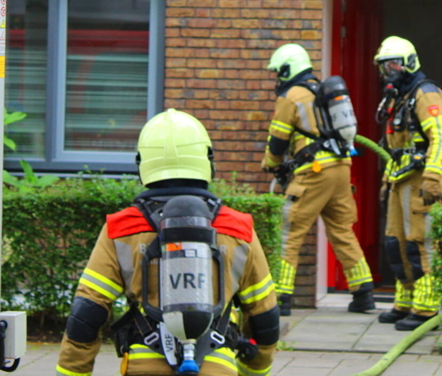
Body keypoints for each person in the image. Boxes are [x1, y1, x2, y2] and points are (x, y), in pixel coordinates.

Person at [56, 109, 279, 376]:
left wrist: (71, 372)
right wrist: (254, 369)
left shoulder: (122, 229)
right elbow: (264, 315)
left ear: (142, 163)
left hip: (144, 368)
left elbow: (87, 313)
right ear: (207, 159)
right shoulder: (237, 228)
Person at [261, 43, 376, 315]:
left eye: (279, 72)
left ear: (289, 69)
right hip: (340, 167)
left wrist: (272, 164)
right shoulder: (321, 91)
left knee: (289, 232)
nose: (278, 77)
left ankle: (282, 298)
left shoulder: (292, 96)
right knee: (342, 230)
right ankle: (364, 294)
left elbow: (278, 141)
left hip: (314, 172)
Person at [373, 35, 442, 331]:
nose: (388, 71)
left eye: (393, 64)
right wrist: (385, 180)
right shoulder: (400, 96)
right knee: (395, 242)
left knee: (420, 242)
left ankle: (426, 307)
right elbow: (396, 145)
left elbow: (439, 138)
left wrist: (432, 177)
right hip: (399, 179)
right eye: (384, 66)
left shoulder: (425, 93)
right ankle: (404, 301)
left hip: (419, 180)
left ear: (409, 63)